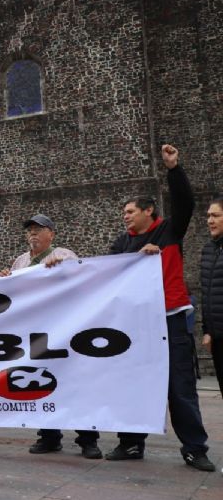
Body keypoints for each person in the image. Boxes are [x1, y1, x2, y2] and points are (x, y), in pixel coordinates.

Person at [105, 144, 214, 472]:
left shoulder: (169, 231)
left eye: (130, 212)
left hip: (171, 319)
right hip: (136, 325)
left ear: (149, 211)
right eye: (123, 213)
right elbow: (101, 273)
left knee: (179, 386)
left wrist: (173, 169)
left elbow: (186, 204)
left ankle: (195, 448)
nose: (125, 217)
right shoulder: (122, 244)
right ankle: (131, 443)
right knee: (133, 382)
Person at [0, 214, 99, 458]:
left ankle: (87, 438)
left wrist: (63, 270)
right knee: (41, 381)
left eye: (38, 229)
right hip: (36, 332)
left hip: (63, 330)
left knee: (73, 383)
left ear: (51, 234)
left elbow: (82, 280)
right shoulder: (20, 262)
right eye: (29, 229)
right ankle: (49, 435)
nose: (32, 233)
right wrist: (4, 281)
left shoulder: (64, 255)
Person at [200, 197, 223, 395]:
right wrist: (207, 330)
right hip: (217, 338)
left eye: (215, 215)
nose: (209, 220)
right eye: (208, 216)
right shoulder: (208, 250)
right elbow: (206, 293)